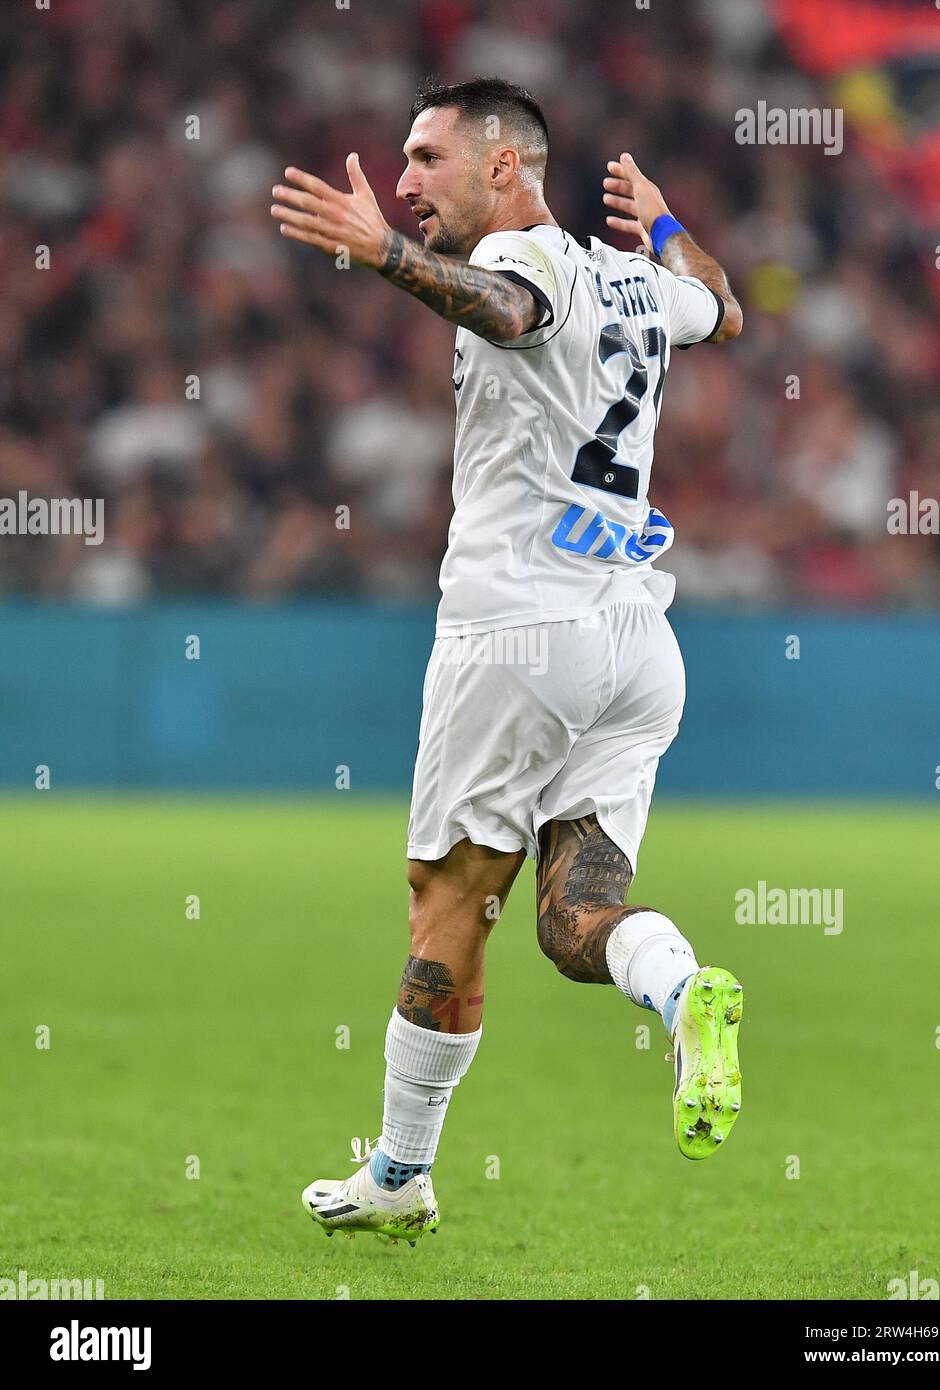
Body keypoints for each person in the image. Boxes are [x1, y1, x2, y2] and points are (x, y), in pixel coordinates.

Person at [270, 76, 744, 1246]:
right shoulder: (637, 278)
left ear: (501, 166)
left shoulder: (529, 264)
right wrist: (672, 225)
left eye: (425, 158)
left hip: (518, 635)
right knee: (573, 915)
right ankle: (683, 989)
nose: (403, 181)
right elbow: (725, 313)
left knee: (447, 906)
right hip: (635, 639)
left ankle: (398, 1171)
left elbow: (507, 311)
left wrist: (383, 254)